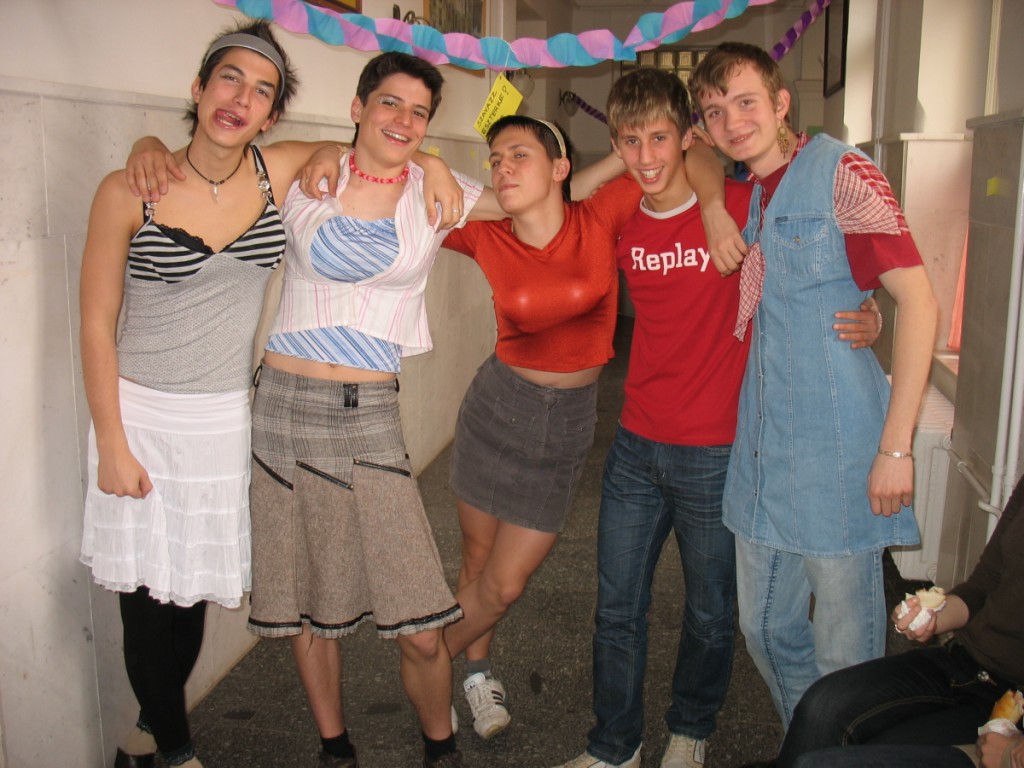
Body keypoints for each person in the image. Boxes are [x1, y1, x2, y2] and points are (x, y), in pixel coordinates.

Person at [295, 111, 737, 743]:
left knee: (503, 584)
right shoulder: (485, 235)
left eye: (519, 155)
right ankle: (476, 676)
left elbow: (683, 158)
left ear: (560, 168)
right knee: (476, 560)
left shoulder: (600, 215)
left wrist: (708, 203)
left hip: (566, 427)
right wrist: (427, 162)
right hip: (498, 410)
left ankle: (430, 658)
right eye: (496, 159)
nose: (502, 167)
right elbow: (390, 182)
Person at [550, 68, 882, 768]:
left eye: (660, 138)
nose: (646, 157)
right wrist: (635, 157)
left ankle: (692, 728)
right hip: (634, 444)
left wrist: (867, 311)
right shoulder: (622, 207)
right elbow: (566, 196)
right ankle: (614, 745)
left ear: (688, 137)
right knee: (617, 607)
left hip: (717, 448)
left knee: (710, 611)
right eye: (630, 141)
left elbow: (823, 258)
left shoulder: (739, 202)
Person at [78, 20, 335, 768]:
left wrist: (331, 153)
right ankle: (179, 750)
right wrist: (111, 443)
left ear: (272, 115)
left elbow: (349, 149)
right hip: (138, 419)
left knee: (188, 594)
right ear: (198, 88)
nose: (240, 99)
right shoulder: (130, 189)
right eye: (229, 78)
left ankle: (145, 737)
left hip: (220, 421)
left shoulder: (274, 172)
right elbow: (95, 325)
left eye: (261, 91)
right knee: (143, 603)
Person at [688, 41, 939, 730]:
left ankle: (842, 747)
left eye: (746, 102)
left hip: (838, 450)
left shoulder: (842, 172)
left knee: (845, 651)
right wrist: (712, 208)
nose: (732, 122)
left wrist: (896, 448)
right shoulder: (753, 188)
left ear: (780, 103)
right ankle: (813, 741)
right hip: (765, 453)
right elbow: (692, 153)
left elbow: (920, 303)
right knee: (765, 628)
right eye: (716, 111)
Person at [771, 471, 1024, 768]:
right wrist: (933, 617)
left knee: (847, 757)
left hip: (1013, 704)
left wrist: (1011, 751)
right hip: (967, 662)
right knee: (821, 706)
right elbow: (984, 584)